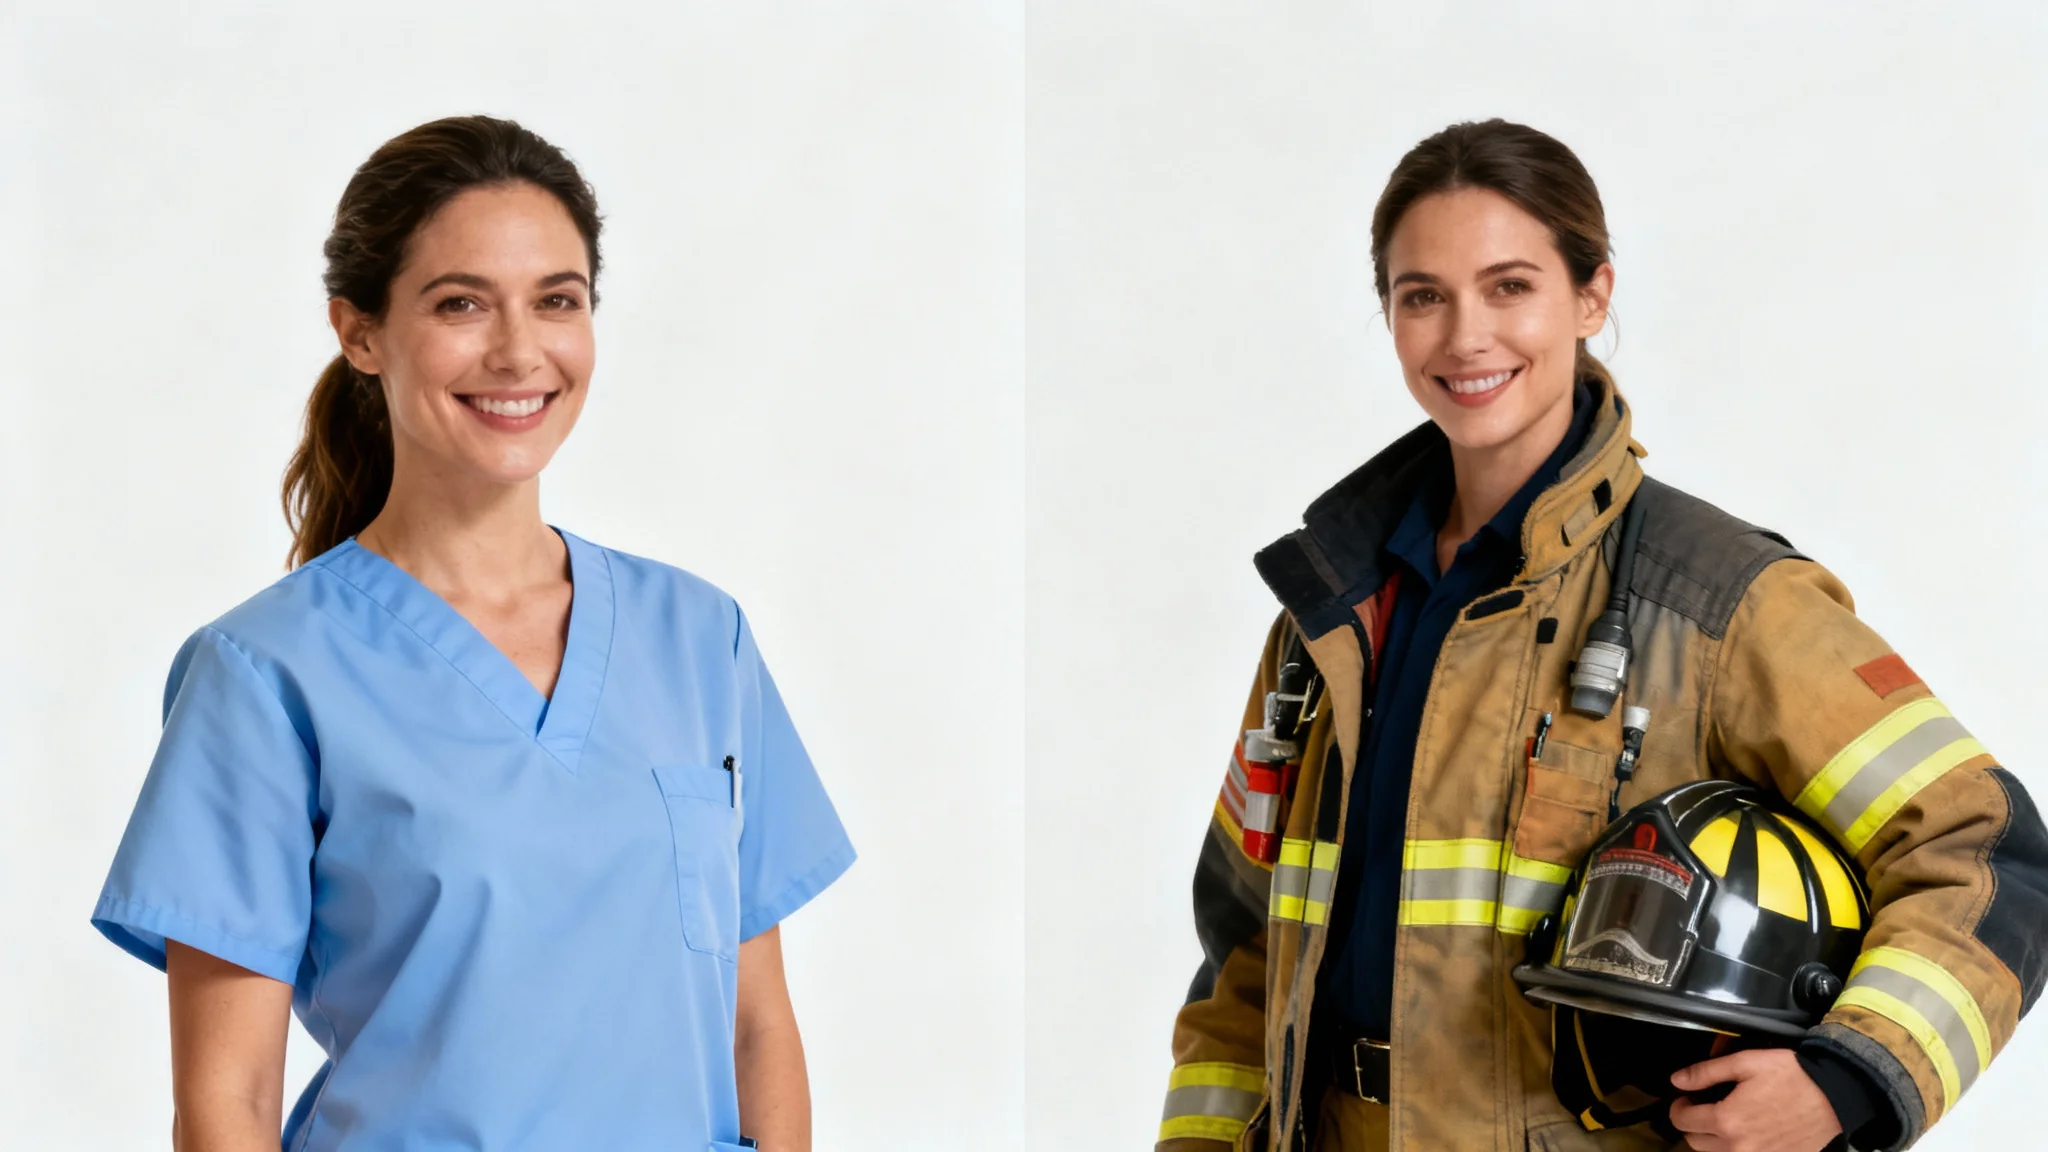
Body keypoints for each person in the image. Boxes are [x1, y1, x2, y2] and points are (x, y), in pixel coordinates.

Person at [1157, 119, 2048, 1152]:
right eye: (1421, 297)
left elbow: (1985, 856)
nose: (1463, 337)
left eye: (1507, 286)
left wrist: (1847, 1079)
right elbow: (1242, 949)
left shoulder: (1718, 602)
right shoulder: (1327, 618)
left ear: (1590, 295)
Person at [90, 115, 855, 1152]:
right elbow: (227, 1102)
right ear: (359, 331)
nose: (518, 351)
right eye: (460, 304)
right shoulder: (266, 674)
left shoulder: (698, 638)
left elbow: (757, 1029)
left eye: (557, 301)